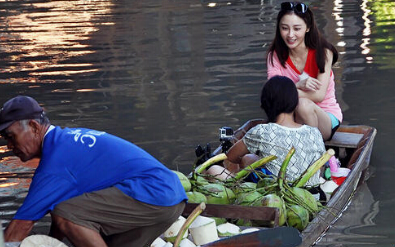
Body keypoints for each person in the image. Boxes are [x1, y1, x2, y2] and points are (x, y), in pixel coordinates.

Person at [0, 95, 188, 247]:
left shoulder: (56, 163)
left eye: (11, 136)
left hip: (153, 194)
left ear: (33, 127)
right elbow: (63, 221)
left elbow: (20, 227)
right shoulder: (66, 141)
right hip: (171, 197)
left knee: (64, 212)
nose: (9, 146)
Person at [207, 76, 326, 187]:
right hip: (312, 194)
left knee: (214, 170)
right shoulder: (314, 132)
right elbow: (319, 169)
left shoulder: (262, 131)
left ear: (266, 104)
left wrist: (252, 162)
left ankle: (239, 188)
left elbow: (231, 157)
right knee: (249, 159)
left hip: (277, 195)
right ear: (294, 103)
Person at [266, 1, 342, 141]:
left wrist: (287, 91)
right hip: (290, 117)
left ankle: (312, 149)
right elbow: (272, 95)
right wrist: (296, 86)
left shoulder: (324, 53)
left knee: (303, 105)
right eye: (284, 28)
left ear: (307, 28)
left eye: (297, 28)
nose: (290, 35)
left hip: (325, 117)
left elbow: (318, 95)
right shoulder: (275, 55)